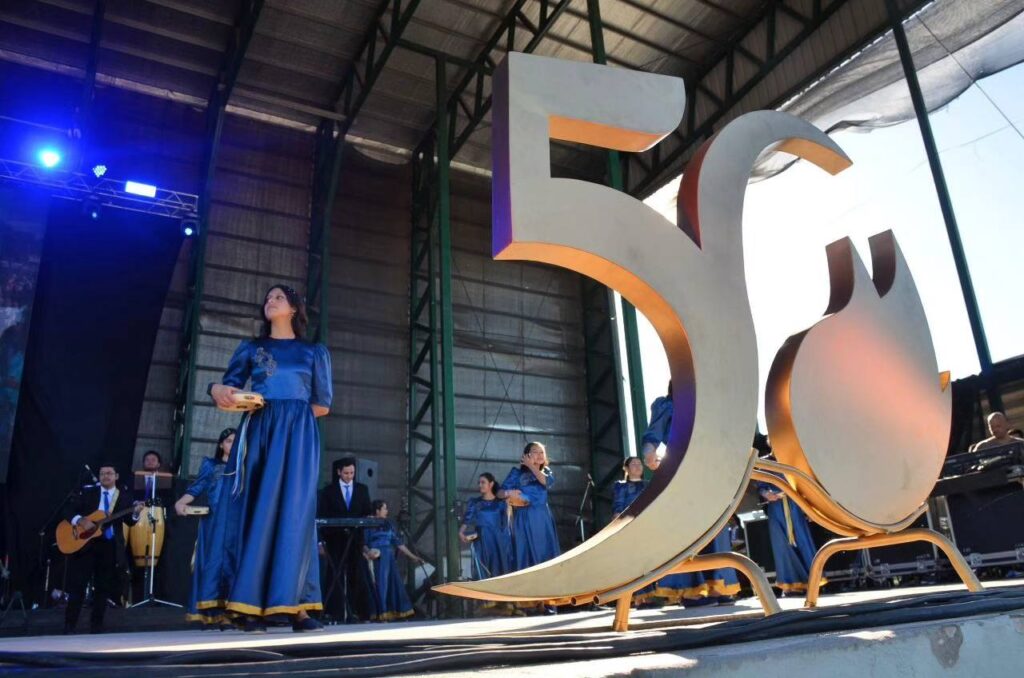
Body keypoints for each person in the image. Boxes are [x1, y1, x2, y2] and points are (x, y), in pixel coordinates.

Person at [206, 284, 332, 633]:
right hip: (259, 433)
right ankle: (249, 605)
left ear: (293, 308)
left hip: (298, 438)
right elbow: (230, 389)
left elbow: (322, 404)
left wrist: (289, 420)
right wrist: (217, 390)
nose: (270, 301)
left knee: (296, 514)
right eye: (267, 298)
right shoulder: (251, 348)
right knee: (256, 510)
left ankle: (299, 606)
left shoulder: (314, 352)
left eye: (278, 297)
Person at [638, 384, 740, 606]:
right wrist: (649, 455)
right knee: (688, 527)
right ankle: (690, 590)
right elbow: (652, 434)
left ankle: (717, 585)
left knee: (715, 527)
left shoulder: (705, 407)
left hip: (709, 469)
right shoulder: (666, 405)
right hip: (682, 468)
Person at [64, 463, 144, 634]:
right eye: (102, 474)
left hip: (109, 545)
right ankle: (69, 625)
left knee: (103, 587)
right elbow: (68, 510)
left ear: (116, 476)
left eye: (109, 473)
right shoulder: (88, 492)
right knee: (78, 585)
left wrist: (136, 512)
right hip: (86, 544)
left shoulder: (124, 496)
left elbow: (129, 521)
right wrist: (81, 520)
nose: (105, 476)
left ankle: (96, 626)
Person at [175, 427, 235, 625]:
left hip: (236, 522)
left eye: (236, 441)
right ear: (221, 445)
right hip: (214, 523)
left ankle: (234, 612)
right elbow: (197, 487)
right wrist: (181, 502)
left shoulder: (244, 466)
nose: (232, 445)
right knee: (214, 564)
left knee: (234, 564)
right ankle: (213, 614)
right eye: (229, 441)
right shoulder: (211, 465)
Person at [318, 456, 374, 622]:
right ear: (339, 472)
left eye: (352, 473)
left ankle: (357, 612)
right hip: (335, 539)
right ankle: (334, 612)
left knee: (356, 574)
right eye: (346, 473)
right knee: (334, 574)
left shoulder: (362, 489)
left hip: (355, 539)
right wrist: (321, 541)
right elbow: (322, 516)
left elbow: (366, 512)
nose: (349, 476)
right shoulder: (328, 491)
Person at [756, 459, 818, 595]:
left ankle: (813, 582)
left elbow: (805, 485)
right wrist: (767, 494)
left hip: (795, 506)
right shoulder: (766, 462)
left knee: (803, 541)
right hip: (777, 508)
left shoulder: (791, 458)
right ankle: (790, 584)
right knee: (782, 546)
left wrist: (810, 509)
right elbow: (760, 486)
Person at [500, 442, 561, 572]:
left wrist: (531, 465)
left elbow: (545, 482)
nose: (539, 455)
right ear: (527, 455)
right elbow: (499, 492)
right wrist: (508, 493)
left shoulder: (546, 472)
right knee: (524, 555)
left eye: (542, 452)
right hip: (522, 519)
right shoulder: (516, 473)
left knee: (544, 553)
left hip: (541, 518)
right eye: (535, 451)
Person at [363, 500, 423, 621]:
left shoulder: (388, 524)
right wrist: (368, 552)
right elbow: (363, 543)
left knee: (394, 584)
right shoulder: (368, 524)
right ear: (377, 511)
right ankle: (381, 612)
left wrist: (413, 556)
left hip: (389, 557)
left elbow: (398, 543)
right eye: (384, 509)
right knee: (381, 584)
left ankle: (394, 612)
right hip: (377, 558)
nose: (387, 511)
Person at [460, 473, 513, 580]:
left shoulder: (501, 503)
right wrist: (461, 532)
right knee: (482, 569)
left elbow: (506, 524)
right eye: (479, 483)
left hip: (497, 541)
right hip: (481, 540)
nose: (480, 485)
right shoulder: (475, 502)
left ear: (491, 484)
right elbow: (467, 520)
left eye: (483, 482)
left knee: (498, 569)